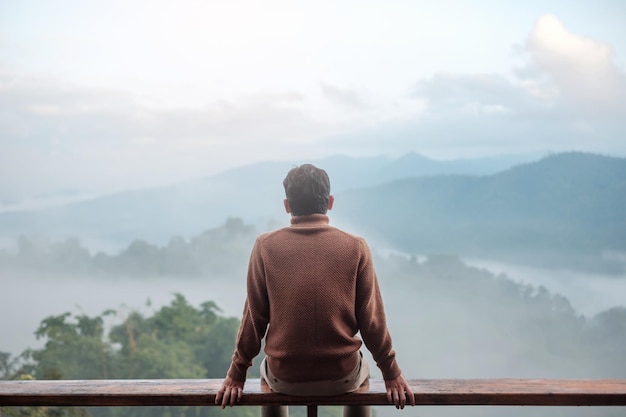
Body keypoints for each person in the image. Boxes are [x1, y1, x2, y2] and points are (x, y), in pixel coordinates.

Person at [215, 164, 414, 416]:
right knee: (363, 375)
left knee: (268, 369)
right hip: (341, 375)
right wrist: (391, 372)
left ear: (287, 205)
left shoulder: (265, 246)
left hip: (285, 377)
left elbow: (254, 319)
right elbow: (371, 321)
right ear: (330, 202)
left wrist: (237, 373)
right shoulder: (356, 247)